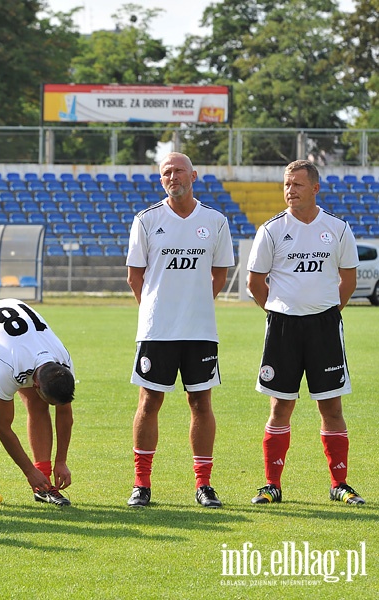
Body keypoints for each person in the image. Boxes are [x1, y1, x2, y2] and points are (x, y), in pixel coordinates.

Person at [247, 159, 364, 506]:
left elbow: (349, 280)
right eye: (286, 184)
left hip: (324, 328)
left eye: (297, 184)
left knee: (331, 406)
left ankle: (339, 483)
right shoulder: (270, 230)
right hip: (283, 327)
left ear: (315, 188)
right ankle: (271, 485)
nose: (290, 191)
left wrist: (324, 311)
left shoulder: (338, 229)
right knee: (280, 406)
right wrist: (282, 311)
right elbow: (255, 284)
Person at [125, 152, 235, 509]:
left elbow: (220, 273)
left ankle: (203, 484)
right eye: (167, 173)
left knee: (201, 402)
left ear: (194, 175)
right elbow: (134, 276)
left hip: (200, 329)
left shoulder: (215, 221)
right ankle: (142, 484)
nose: (173, 177)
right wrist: (158, 310)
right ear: (161, 181)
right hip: (157, 331)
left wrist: (196, 303)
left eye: (179, 171)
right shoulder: (146, 220)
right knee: (149, 401)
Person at [0, 299, 75, 507]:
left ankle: (43, 486)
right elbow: (2, 427)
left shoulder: (63, 362)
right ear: (36, 384)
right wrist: (29, 471)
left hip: (18, 343)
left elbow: (65, 414)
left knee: (38, 405)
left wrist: (61, 461)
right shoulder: (10, 366)